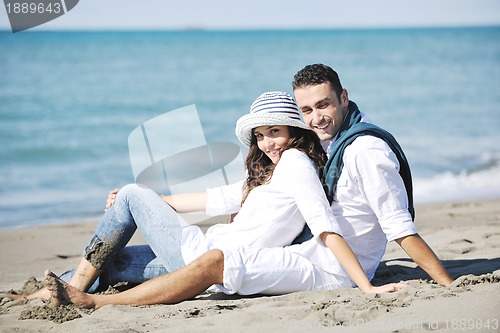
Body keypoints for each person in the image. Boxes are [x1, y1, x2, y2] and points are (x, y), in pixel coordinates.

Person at [5, 91, 405, 307]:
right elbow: (215, 197)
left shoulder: (298, 164)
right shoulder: (271, 173)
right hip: (202, 253)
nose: (268, 143)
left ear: (295, 132)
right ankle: (52, 292)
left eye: (276, 132)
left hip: (203, 256)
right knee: (116, 263)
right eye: (260, 135)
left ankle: (74, 289)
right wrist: (159, 199)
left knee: (129, 192)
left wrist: (364, 287)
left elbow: (324, 227)